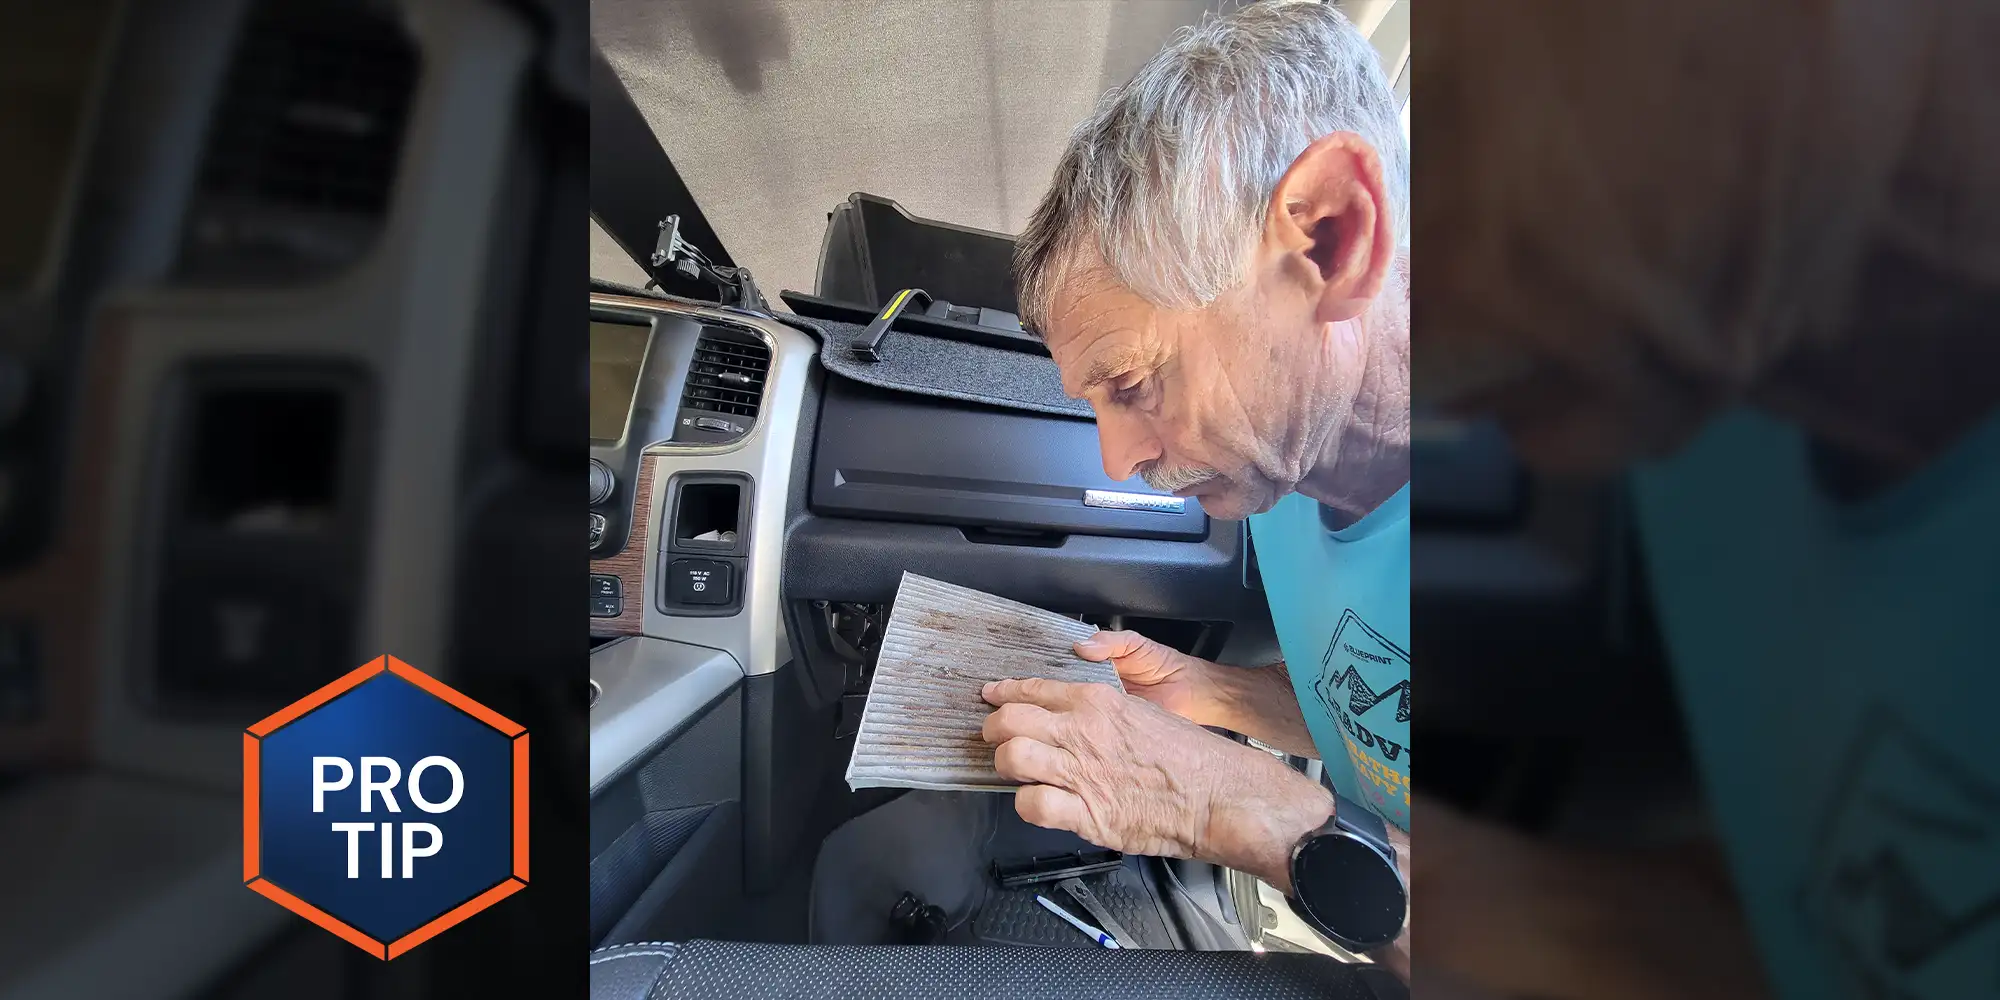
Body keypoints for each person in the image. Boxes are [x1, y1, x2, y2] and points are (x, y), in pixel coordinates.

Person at [974, 0, 1413, 962]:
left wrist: (1232, 806)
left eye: (1134, 385)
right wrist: (1213, 695)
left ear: (1332, 237)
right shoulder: (1285, 465)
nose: (1116, 462)